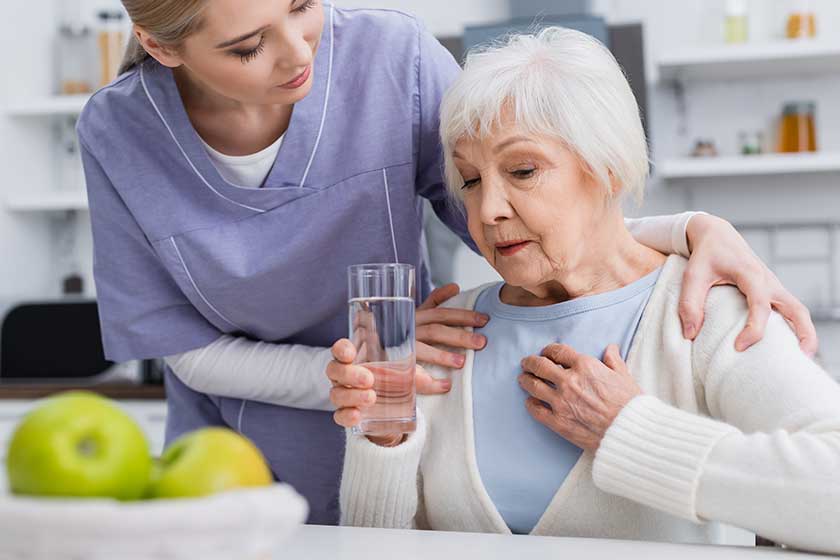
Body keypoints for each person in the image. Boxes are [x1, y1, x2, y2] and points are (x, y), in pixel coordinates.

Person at [78, 1, 816, 525]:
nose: (302, 52)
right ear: (165, 46)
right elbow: (180, 347)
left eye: (304, 4)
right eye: (246, 46)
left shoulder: (700, 319)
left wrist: (690, 230)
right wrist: (384, 376)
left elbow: (536, 202)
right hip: (246, 447)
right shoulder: (118, 131)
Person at [331, 28, 840, 554]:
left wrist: (631, 432)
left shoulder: (704, 311)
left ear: (608, 167)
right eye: (472, 180)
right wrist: (382, 442)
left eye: (522, 170)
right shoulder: (445, 333)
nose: (488, 212)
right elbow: (375, 546)